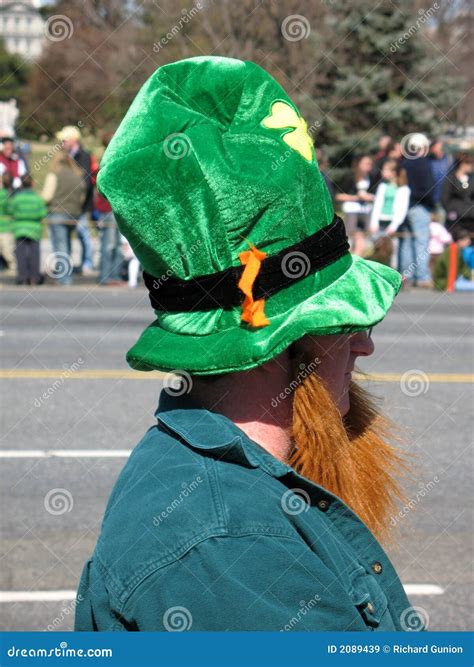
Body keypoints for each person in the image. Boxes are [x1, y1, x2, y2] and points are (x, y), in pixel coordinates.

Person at [75, 57, 422, 632]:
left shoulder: (223, 480)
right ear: (275, 342)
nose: (365, 345)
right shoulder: (234, 550)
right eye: (342, 321)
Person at [42, 149, 86, 286]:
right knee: (67, 245)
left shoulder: (54, 174)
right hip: (74, 214)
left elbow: (47, 196)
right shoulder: (76, 175)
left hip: (57, 213)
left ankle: (64, 278)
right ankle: (67, 274)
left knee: (60, 246)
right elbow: (82, 197)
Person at [56, 126, 94, 274]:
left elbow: (85, 182)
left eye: (64, 140)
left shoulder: (84, 156)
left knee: (83, 234)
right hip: (69, 205)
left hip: (82, 205)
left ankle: (87, 263)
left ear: (73, 140)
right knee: (66, 235)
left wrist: (82, 203)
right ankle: (68, 266)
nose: (62, 143)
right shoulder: (64, 156)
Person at [398, 143, 435, 287]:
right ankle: (422, 277)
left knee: (406, 241)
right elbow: (430, 187)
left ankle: (406, 276)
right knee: (421, 242)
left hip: (403, 205)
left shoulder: (404, 163)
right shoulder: (423, 164)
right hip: (420, 206)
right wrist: (431, 204)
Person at [93, 132, 124, 285]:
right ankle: (106, 276)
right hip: (108, 209)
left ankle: (115, 275)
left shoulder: (118, 158)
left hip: (118, 208)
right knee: (109, 244)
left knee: (118, 245)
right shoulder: (107, 161)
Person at [8, 174, 46, 285]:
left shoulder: (16, 198)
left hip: (19, 228)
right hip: (34, 229)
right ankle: (34, 278)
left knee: (21, 255)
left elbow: (11, 211)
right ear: (32, 184)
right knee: (34, 254)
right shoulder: (37, 198)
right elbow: (42, 213)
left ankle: (22, 278)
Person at [335, 155, 375, 256]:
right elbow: (338, 196)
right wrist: (356, 197)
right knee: (350, 240)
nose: (368, 167)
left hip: (365, 212)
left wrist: (371, 197)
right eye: (365, 164)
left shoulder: (372, 178)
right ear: (358, 165)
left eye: (370, 164)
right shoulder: (349, 178)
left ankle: (357, 262)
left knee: (361, 241)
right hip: (351, 212)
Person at [440, 153, 474, 239]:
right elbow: (444, 198)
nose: (472, 166)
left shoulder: (472, 179)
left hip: (471, 219)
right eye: (469, 163)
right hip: (456, 219)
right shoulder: (450, 179)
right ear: (462, 164)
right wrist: (452, 211)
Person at [429, 138, 452, 222]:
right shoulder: (428, 161)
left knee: (442, 222)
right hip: (431, 198)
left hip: (445, 198)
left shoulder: (449, 160)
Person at [0, 171, 15, 273]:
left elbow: (10, 210)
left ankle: (13, 269)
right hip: (6, 227)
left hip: (5, 227)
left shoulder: (4, 195)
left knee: (7, 251)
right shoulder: (9, 194)